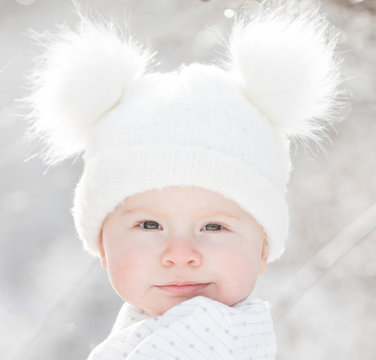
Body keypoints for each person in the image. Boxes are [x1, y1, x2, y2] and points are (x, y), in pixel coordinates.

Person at [24, 1, 344, 359]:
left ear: (263, 248)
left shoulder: (201, 342)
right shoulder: (167, 333)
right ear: (102, 243)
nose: (180, 255)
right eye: (149, 224)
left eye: (213, 226)